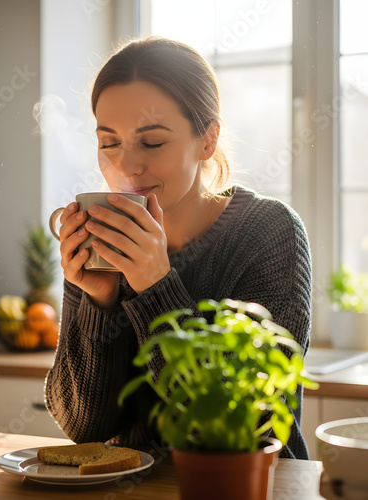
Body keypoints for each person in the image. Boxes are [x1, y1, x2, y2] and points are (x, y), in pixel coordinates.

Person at [44, 36, 312, 459]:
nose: (126, 166)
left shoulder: (269, 232)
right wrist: (97, 302)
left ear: (207, 140)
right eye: (109, 143)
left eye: (152, 142)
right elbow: (84, 428)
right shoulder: (105, 245)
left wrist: (154, 285)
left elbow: (242, 424)